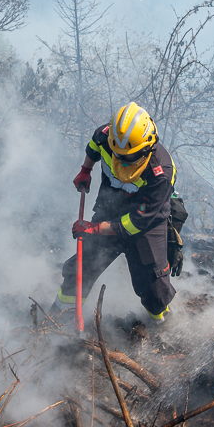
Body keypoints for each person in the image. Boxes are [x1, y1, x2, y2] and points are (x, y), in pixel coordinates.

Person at [52, 101, 186, 323]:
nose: (122, 160)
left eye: (129, 156)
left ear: (146, 148)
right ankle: (57, 321)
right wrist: (85, 170)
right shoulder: (107, 136)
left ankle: (163, 325)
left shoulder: (160, 174)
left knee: (152, 287)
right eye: (118, 154)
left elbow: (136, 222)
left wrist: (95, 228)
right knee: (81, 268)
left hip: (146, 225)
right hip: (109, 209)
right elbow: (94, 146)